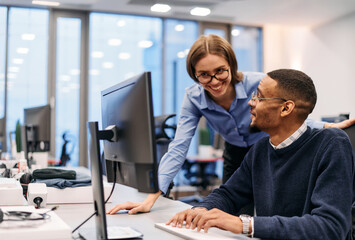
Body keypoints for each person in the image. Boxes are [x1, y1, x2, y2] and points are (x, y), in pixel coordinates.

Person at [107, 34, 355, 215]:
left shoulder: (257, 84)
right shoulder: (194, 97)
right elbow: (179, 146)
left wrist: (325, 127)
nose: (214, 81)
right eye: (203, 75)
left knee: (277, 208)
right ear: (195, 74)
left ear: (231, 66)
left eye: (220, 71)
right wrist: (153, 194)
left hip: (267, 149)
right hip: (236, 153)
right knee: (234, 208)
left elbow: (290, 110)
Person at [166, 69, 355, 240]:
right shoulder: (261, 149)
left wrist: (244, 225)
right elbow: (229, 194)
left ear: (285, 108)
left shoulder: (332, 143)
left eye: (259, 97)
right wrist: (200, 210)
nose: (250, 102)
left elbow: (330, 227)